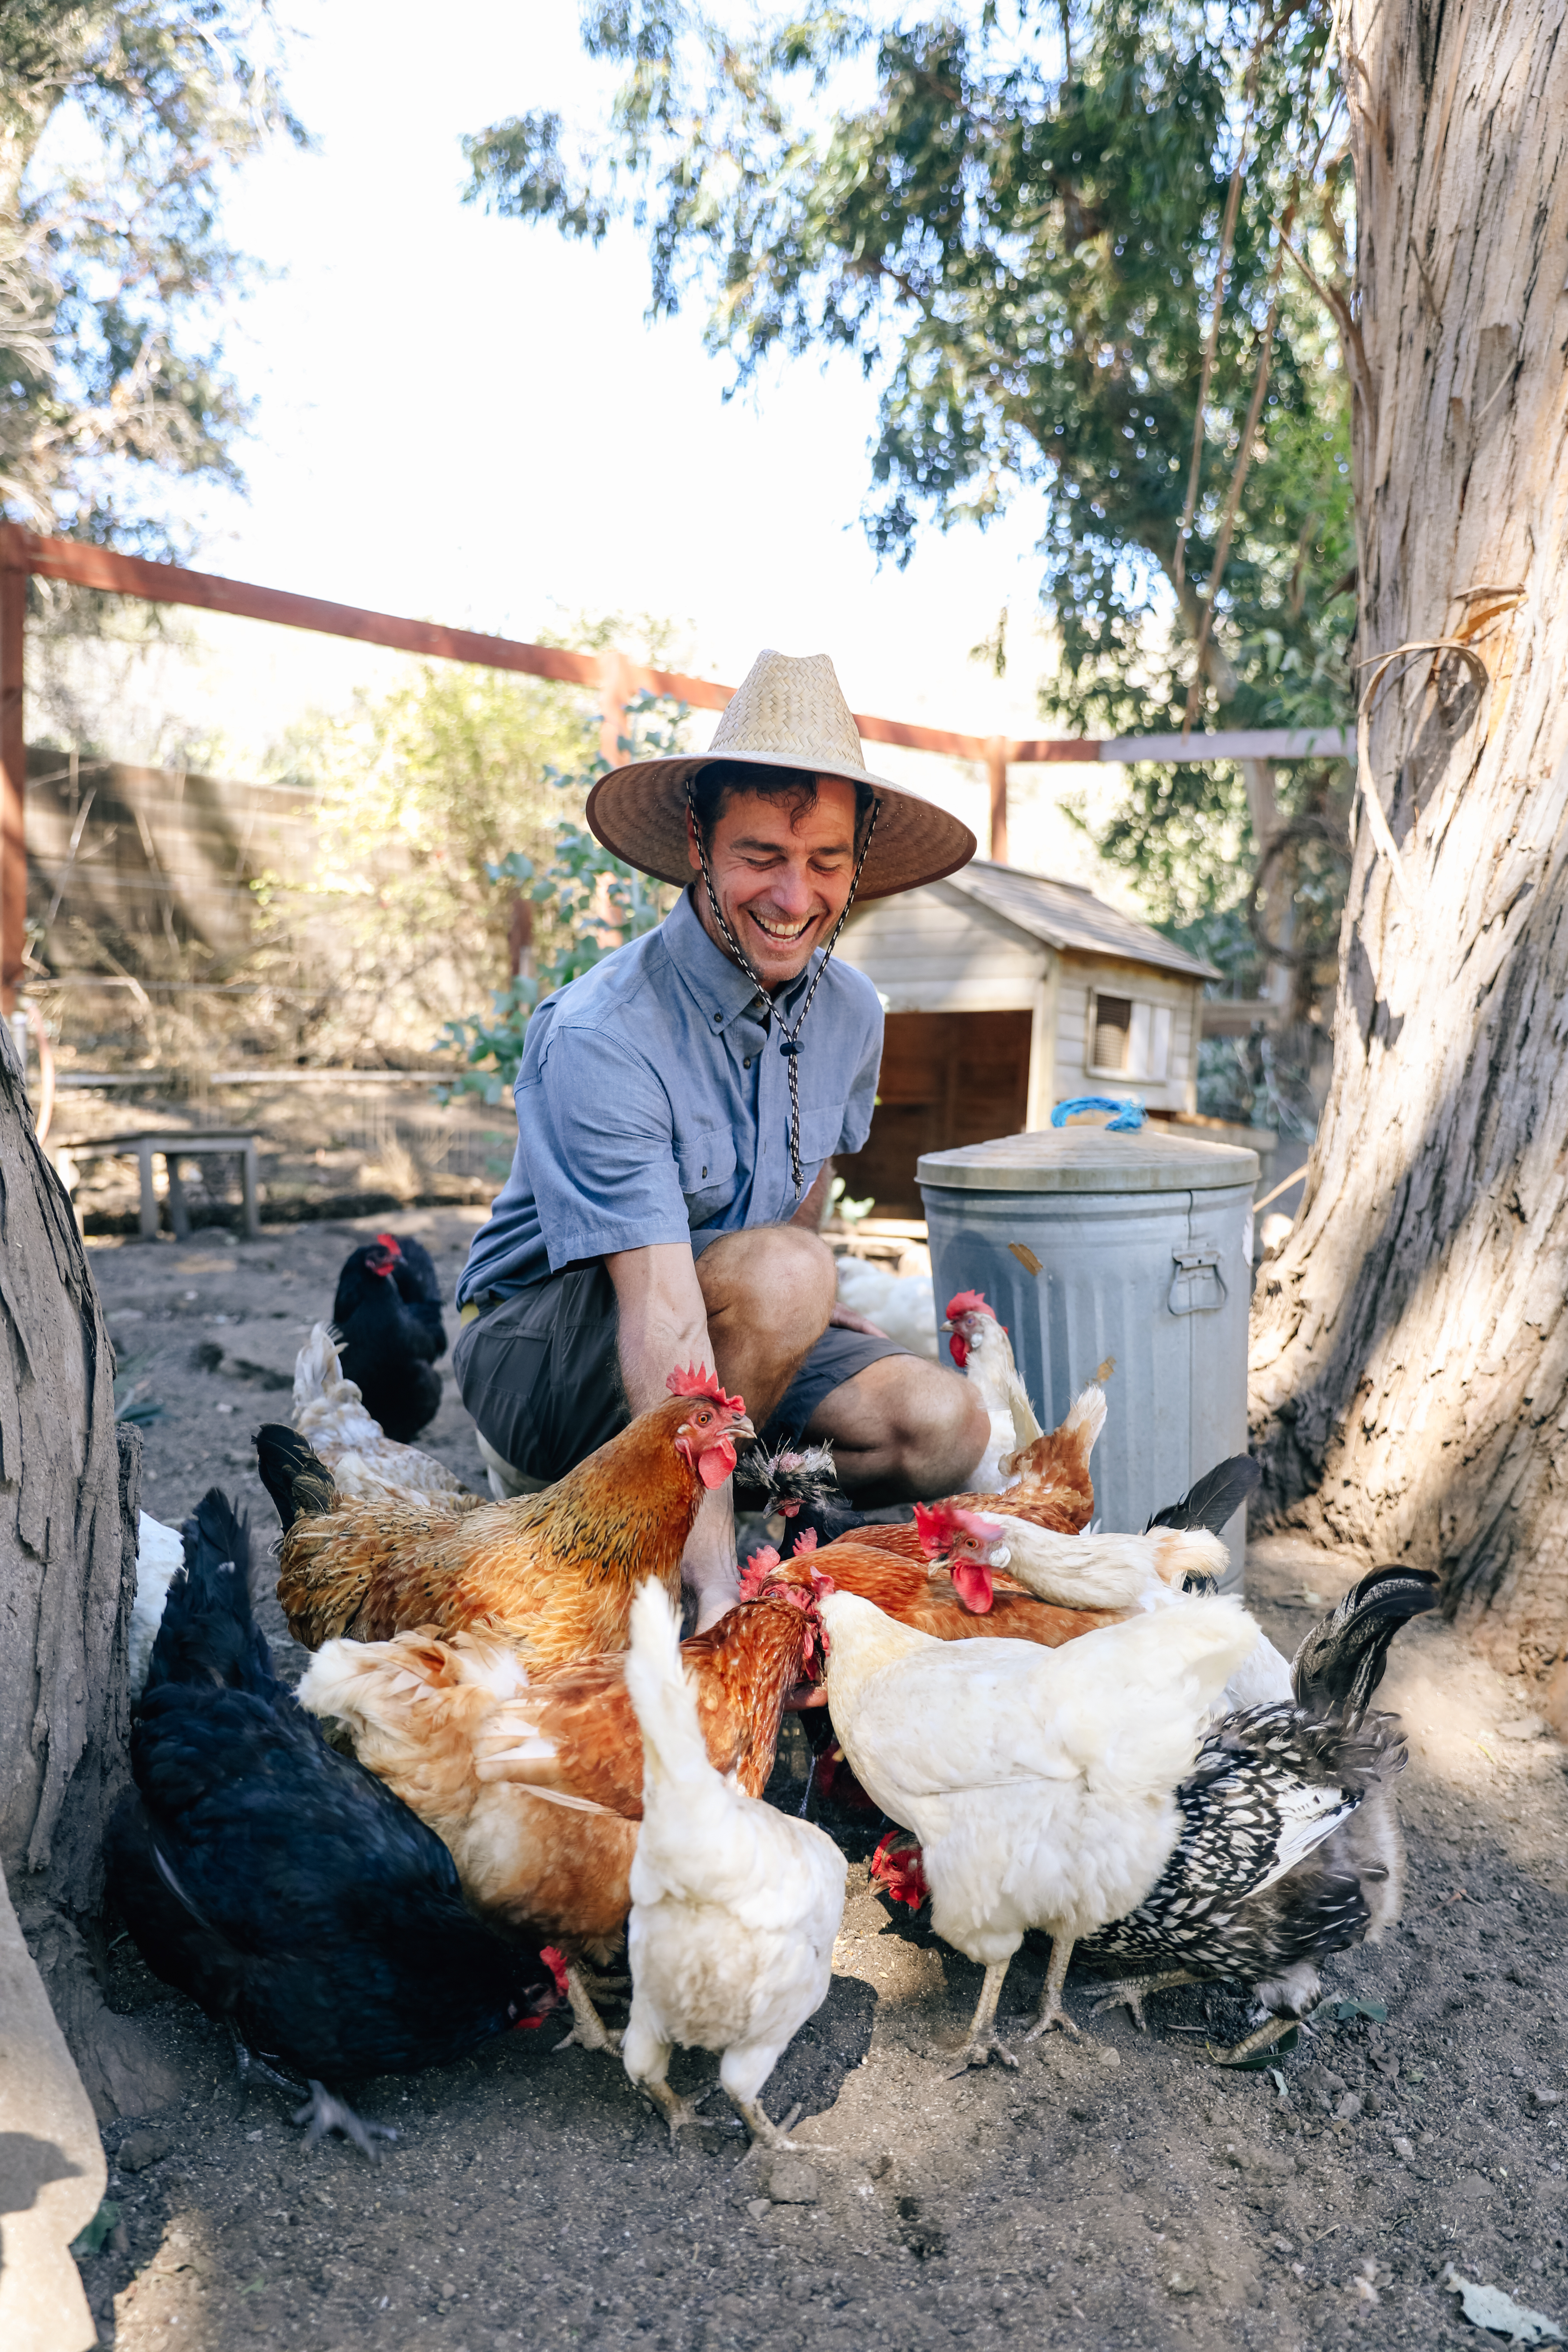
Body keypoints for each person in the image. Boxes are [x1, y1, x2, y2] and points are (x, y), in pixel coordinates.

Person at [454, 648, 990, 1627]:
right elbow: (659, 1307)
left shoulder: (852, 1011)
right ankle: (655, 1567)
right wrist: (709, 1576)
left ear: (857, 863)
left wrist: (803, 1309)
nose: (795, 898)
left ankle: (723, 1519)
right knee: (786, 1276)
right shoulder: (603, 1032)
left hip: (726, 1343)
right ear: (699, 844)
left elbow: (803, 1196)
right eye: (761, 857)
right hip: (551, 1351)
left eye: (826, 862)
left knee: (944, 1426)